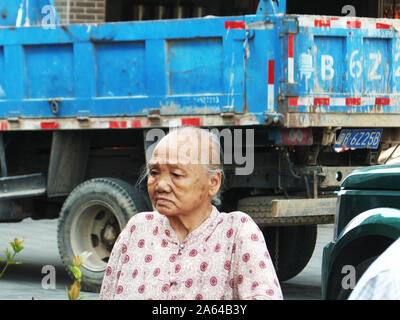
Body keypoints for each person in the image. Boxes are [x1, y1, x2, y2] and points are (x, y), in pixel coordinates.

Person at [100, 126, 282, 300]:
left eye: (177, 175)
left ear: (213, 182)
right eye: (154, 172)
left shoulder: (236, 232)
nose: (161, 185)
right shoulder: (138, 228)